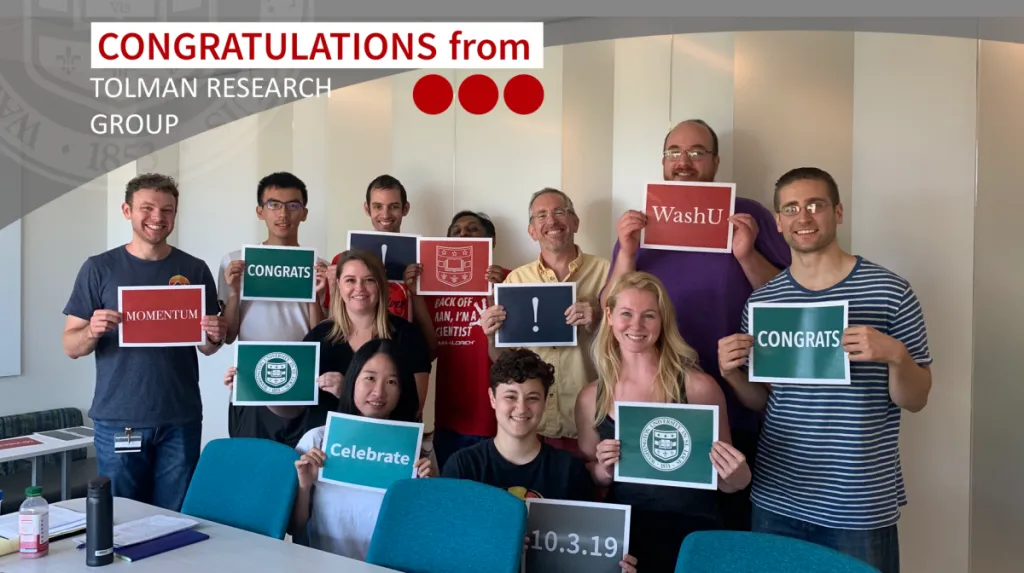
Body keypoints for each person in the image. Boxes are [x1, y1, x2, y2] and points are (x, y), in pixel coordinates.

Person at [716, 167, 932, 573]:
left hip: (859, 501)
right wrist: (731, 374)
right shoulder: (764, 303)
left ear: (838, 212)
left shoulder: (890, 290)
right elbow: (765, 401)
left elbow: (917, 399)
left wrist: (897, 356)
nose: (804, 216)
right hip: (777, 495)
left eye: (815, 205)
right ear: (778, 223)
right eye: (791, 208)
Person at [601, 119, 791, 530]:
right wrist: (628, 253)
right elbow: (610, 308)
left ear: (716, 161)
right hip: (657, 401)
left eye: (697, 152)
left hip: (740, 398)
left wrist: (745, 256)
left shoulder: (749, 214)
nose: (684, 162)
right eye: (674, 153)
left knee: (731, 526)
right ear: (663, 161)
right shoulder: (641, 221)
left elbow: (788, 298)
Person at [61, 173, 226, 512]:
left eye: (167, 210)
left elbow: (207, 347)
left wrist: (215, 334)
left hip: (180, 418)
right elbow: (71, 346)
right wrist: (92, 330)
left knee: (174, 518)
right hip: (119, 418)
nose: (157, 218)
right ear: (127, 210)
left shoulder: (193, 269)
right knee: (121, 516)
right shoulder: (99, 269)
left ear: (175, 215)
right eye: (147, 208)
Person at [577, 270, 752, 571]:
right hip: (627, 539)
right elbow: (593, 476)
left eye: (649, 316)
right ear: (608, 315)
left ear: (663, 321)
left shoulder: (699, 387)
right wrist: (604, 469)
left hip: (695, 535)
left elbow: (728, 481)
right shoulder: (591, 397)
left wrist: (739, 476)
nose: (636, 325)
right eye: (626, 314)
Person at [234, 339, 433, 561]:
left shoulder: (418, 451)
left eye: (392, 382)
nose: (379, 391)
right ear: (352, 381)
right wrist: (304, 484)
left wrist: (430, 491)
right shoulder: (317, 440)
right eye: (369, 378)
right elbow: (294, 527)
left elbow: (426, 534)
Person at [444, 348, 639, 573]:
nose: (521, 408)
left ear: (545, 401)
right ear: (492, 398)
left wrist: (613, 567)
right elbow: (447, 545)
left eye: (532, 398)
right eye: (510, 396)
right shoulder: (463, 467)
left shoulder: (569, 470)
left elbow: (589, 550)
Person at [222, 249, 433, 445]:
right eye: (351, 280)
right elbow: (292, 410)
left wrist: (348, 392)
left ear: (381, 286)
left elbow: (412, 409)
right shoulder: (319, 336)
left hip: (380, 449)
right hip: (323, 452)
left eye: (369, 280)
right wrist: (260, 389)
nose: (359, 288)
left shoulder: (407, 335)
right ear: (339, 285)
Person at [480, 188, 610, 458]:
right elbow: (503, 361)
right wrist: (492, 337)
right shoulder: (515, 281)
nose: (551, 221)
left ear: (575, 222)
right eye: (541, 215)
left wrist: (599, 320)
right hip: (532, 428)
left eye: (559, 212)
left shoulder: (607, 273)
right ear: (531, 230)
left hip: (591, 425)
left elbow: (631, 342)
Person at [217, 172, 330, 445]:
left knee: (302, 473)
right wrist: (234, 293)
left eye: (293, 205)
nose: (283, 213)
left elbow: (321, 336)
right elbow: (228, 335)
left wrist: (317, 296)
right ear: (260, 211)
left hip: (303, 383)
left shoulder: (318, 266)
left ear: (304, 213)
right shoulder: (235, 261)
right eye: (273, 204)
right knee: (254, 472)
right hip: (251, 383)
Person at [425, 211, 510, 470]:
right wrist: (416, 293)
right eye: (456, 231)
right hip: (449, 415)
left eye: (473, 229)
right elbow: (429, 350)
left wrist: (498, 288)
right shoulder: (433, 286)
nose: (463, 234)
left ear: (491, 241)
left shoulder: (512, 279)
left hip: (496, 414)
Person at [326, 174, 437, 360]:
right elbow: (332, 324)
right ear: (367, 208)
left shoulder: (423, 263)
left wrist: (415, 293)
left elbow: (431, 344)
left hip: (403, 353)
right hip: (354, 356)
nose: (385, 215)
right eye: (378, 206)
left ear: (405, 208)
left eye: (393, 206)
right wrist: (331, 286)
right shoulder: (343, 262)